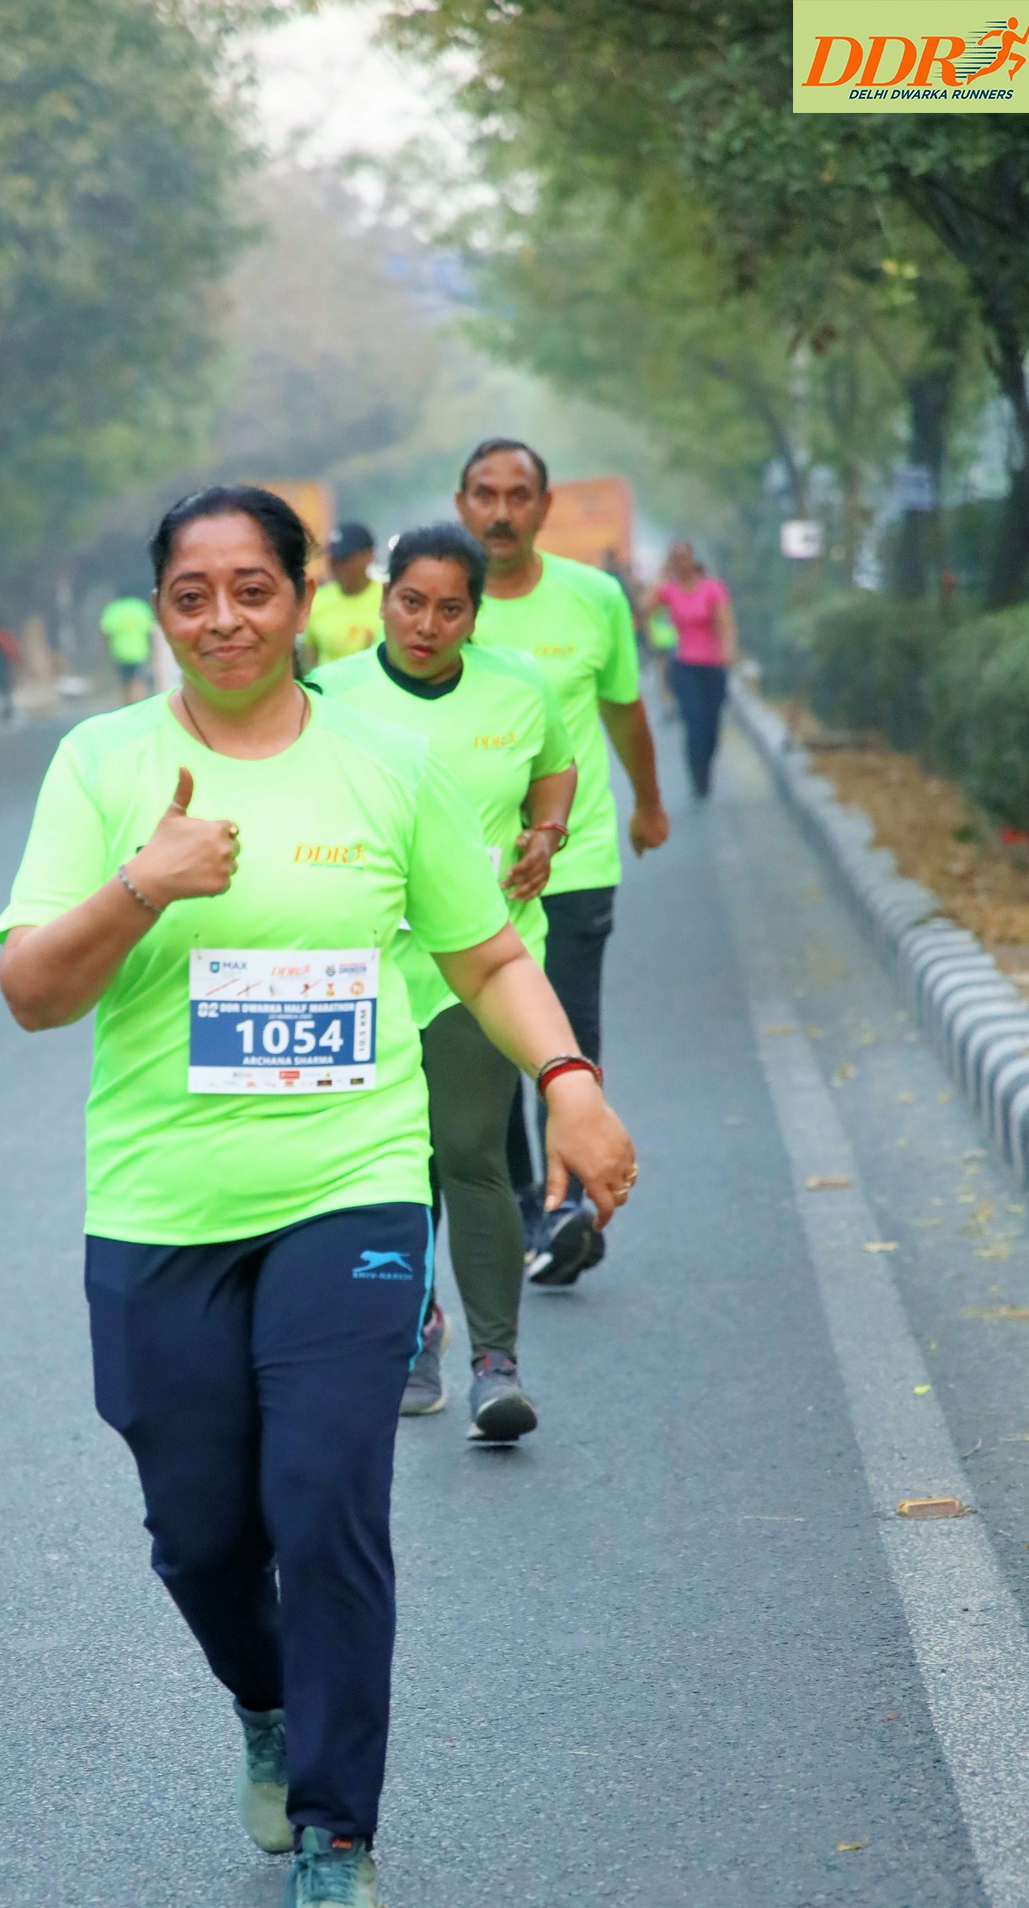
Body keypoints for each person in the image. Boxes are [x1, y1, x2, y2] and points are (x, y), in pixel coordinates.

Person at [0, 486, 636, 1908]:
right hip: (160, 1205)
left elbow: (485, 953)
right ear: (164, 611)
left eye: (252, 589)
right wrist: (143, 885)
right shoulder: (104, 765)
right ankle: (268, 1704)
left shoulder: (382, 765)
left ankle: (339, 1843)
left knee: (327, 1495)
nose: (223, 619)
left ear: (301, 600)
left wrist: (571, 1081)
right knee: (198, 1533)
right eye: (192, 595)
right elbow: (33, 992)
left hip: (350, 1185)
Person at [317, 523, 577, 1441]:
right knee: (394, 1166)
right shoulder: (329, 696)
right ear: (384, 598)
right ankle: (416, 1329)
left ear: (476, 613)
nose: (427, 625)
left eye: (450, 608)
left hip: (487, 958)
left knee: (468, 1149)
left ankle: (495, 1365)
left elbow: (555, 770)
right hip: (369, 967)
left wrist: (547, 834)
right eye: (411, 602)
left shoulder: (520, 687)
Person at [456, 437, 669, 1287]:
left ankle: (570, 1208)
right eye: (485, 494)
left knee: (569, 1042)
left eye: (519, 495)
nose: (501, 511)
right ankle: (526, 1206)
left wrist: (648, 803)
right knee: (491, 1048)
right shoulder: (442, 606)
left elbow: (623, 711)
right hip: (465, 875)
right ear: (462, 504)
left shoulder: (594, 598)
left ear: (545, 508)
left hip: (573, 864)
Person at [643, 542, 737, 800]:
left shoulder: (712, 588)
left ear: (692, 558)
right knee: (694, 723)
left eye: (684, 557)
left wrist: (728, 652)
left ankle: (706, 767)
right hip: (685, 666)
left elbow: (726, 624)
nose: (681, 562)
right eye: (675, 558)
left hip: (712, 666)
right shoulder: (670, 590)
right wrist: (661, 576)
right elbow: (643, 608)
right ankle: (698, 780)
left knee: (711, 726)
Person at [300, 521, 383, 669]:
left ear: (368, 556)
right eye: (333, 559)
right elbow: (308, 659)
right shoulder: (317, 600)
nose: (337, 566)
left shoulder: (388, 599)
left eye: (345, 559)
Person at [99, 588, 157, 703]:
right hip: (139, 652)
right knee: (138, 681)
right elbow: (151, 630)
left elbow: (105, 632)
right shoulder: (140, 607)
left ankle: (127, 704)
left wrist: (106, 651)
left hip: (119, 653)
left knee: (124, 682)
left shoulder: (113, 609)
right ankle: (139, 704)